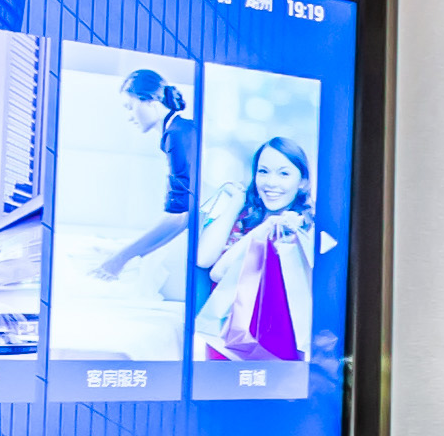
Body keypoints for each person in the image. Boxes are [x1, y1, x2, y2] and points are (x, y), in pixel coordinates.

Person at [193, 133, 316, 364]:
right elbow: (205, 260)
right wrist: (238, 204)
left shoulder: (306, 227)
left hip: (280, 339)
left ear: (302, 182)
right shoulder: (245, 215)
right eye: (263, 171)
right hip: (227, 336)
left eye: (284, 174)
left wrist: (274, 227)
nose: (271, 182)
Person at [80, 66, 191, 289]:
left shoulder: (177, 136)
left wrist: (119, 259)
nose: (129, 117)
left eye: (130, 107)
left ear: (149, 100)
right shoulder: (178, 132)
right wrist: (121, 254)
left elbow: (178, 218)